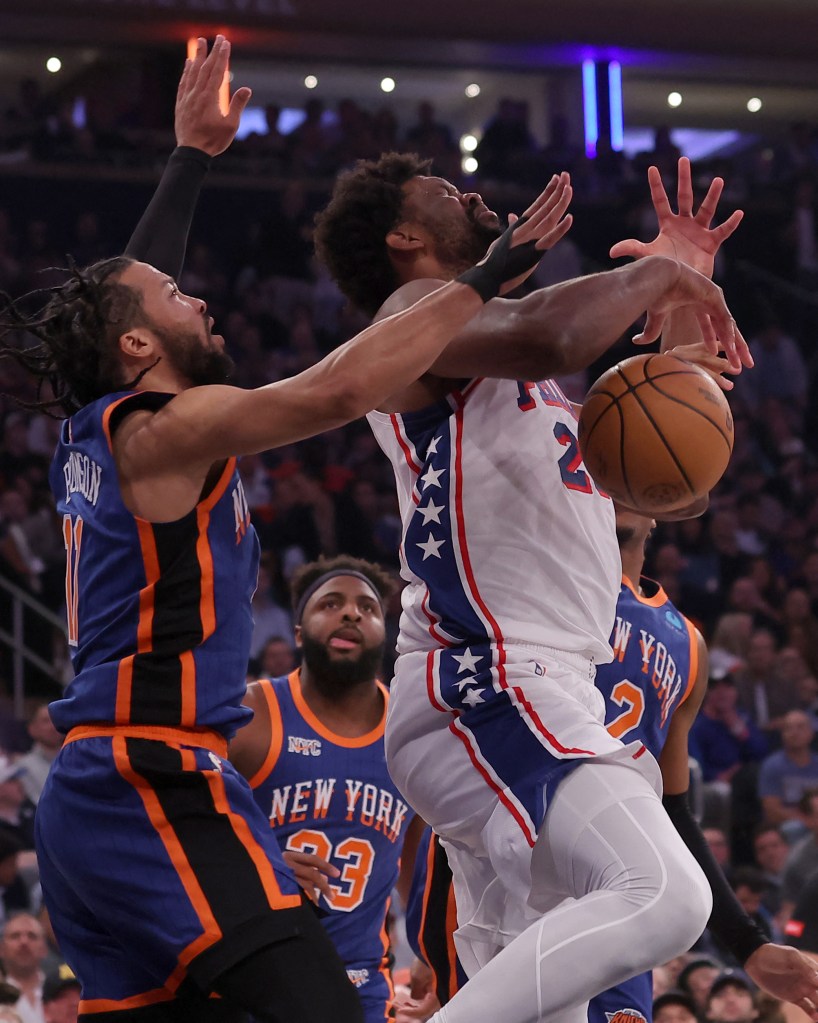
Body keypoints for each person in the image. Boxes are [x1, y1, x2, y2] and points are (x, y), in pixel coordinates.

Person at [0, 38, 565, 1023]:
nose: (200, 295)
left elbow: (123, 299)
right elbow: (341, 389)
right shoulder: (167, 427)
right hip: (153, 775)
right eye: (180, 300)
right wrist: (487, 274)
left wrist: (188, 157)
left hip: (98, 793)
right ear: (140, 347)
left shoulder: (109, 426)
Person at [311, 139, 752, 1020]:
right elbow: (555, 327)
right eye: (445, 190)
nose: (472, 193)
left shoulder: (527, 380)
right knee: (667, 894)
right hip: (487, 678)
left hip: (536, 686)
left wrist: (678, 332)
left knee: (542, 996)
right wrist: (660, 272)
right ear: (405, 235)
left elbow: (666, 478)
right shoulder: (413, 314)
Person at [230, 555, 421, 1023]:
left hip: (362, 990)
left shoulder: (411, 734)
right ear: (299, 632)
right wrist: (258, 868)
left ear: (385, 631)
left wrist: (432, 957)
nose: (351, 614)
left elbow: (417, 872)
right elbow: (180, 837)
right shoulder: (249, 716)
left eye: (368, 608)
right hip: (253, 982)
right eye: (330, 604)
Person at [0, 913, 49, 1023]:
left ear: (44, 949)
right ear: (1, 948)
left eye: (32, 936)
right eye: (15, 936)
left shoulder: (63, 991)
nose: (24, 942)